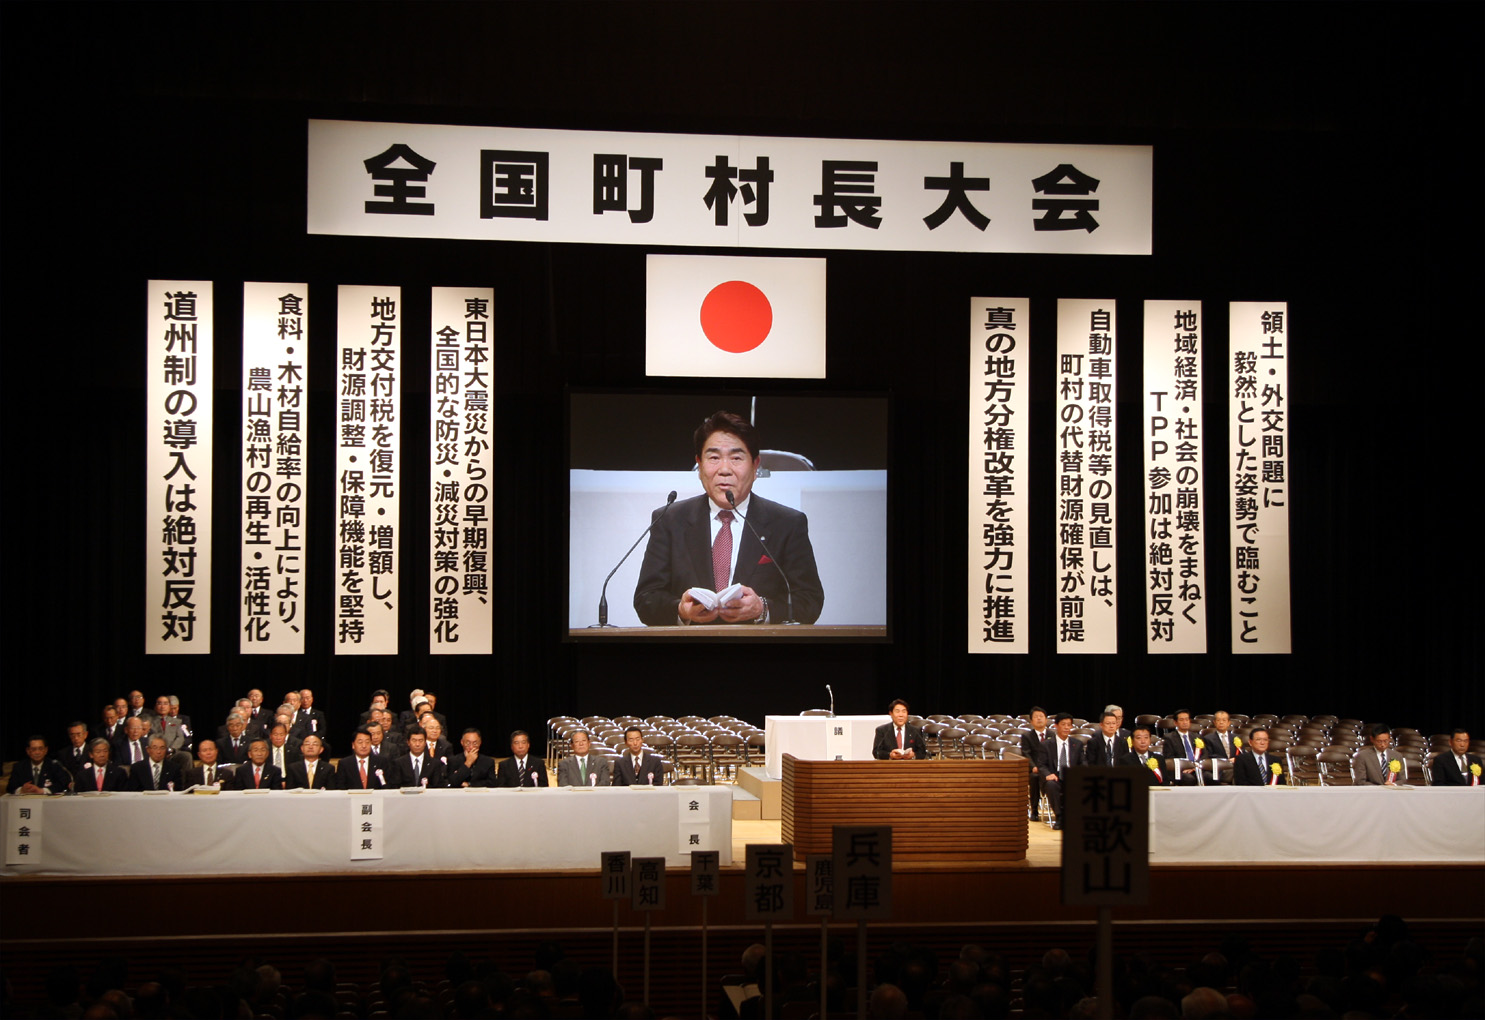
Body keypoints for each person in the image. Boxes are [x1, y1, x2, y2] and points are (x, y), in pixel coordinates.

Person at [633, 410, 824, 626]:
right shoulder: (669, 520)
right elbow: (646, 599)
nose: (724, 469)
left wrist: (762, 608)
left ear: (755, 466)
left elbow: (810, 601)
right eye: (714, 458)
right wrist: (681, 610)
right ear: (699, 464)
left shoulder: (787, 523)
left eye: (736, 458)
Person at [1038, 713, 1084, 829]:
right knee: (1051, 785)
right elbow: (1041, 765)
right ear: (1056, 726)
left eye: (1069, 725)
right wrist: (1048, 775)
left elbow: (1083, 763)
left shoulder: (1077, 744)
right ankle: (1059, 817)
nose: (1066, 727)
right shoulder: (1046, 745)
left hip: (1071, 776)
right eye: (1063, 724)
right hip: (1055, 776)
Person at [5, 735, 74, 795]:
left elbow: (63, 783)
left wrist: (42, 791)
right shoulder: (19, 766)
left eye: (40, 749)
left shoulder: (54, 765)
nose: (37, 752)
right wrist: (21, 790)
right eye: (33, 749)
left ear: (46, 750)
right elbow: (10, 787)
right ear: (28, 751)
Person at [1020, 707, 1051, 821]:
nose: (1039, 719)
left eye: (1041, 716)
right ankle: (1034, 810)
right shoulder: (1027, 736)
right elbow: (1026, 753)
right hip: (1035, 770)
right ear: (1031, 721)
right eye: (1036, 717)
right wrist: (1033, 767)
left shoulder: (1052, 735)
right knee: (1034, 778)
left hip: (1049, 769)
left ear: (1046, 720)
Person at [1162, 710, 1204, 785]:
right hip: (1179, 770)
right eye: (1181, 720)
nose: (1185, 722)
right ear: (1175, 723)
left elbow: (1204, 754)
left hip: (1196, 768)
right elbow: (1169, 758)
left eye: (1187, 719)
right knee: (1189, 779)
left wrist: (1194, 767)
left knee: (1209, 777)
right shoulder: (1169, 738)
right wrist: (1186, 766)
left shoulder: (1197, 737)